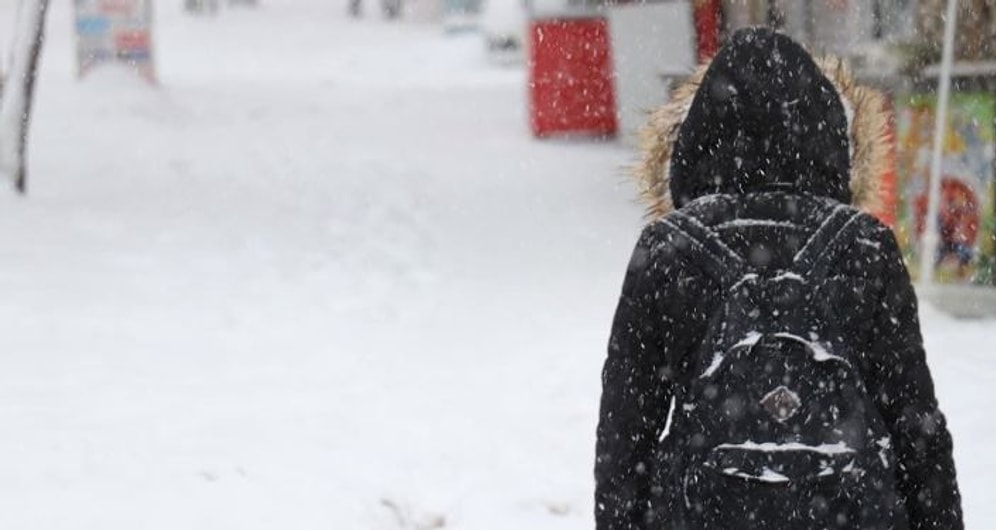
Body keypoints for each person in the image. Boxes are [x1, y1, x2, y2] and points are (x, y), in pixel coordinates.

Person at [595, 28, 962, 530]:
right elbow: (917, 423)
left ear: (694, 140)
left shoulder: (667, 249)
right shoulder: (865, 245)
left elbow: (625, 433)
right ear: (831, 134)